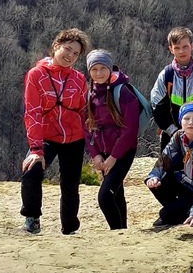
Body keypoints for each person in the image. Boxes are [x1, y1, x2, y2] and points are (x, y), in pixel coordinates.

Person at [19, 28, 90, 235]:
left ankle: (69, 228)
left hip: (74, 138)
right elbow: (32, 112)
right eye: (67, 49)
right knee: (31, 173)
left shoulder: (78, 79)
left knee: (70, 185)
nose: (70, 56)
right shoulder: (36, 75)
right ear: (56, 46)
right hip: (46, 137)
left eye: (76, 53)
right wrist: (35, 149)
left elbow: (84, 112)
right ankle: (32, 218)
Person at [84, 48, 143, 231]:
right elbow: (87, 127)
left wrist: (113, 157)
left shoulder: (123, 92)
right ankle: (122, 231)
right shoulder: (90, 93)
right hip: (103, 151)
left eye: (103, 68)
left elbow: (130, 129)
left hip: (123, 152)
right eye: (94, 69)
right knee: (116, 194)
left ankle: (116, 232)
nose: (99, 73)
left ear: (110, 69)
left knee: (105, 197)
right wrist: (95, 155)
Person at [149, 26, 193, 150]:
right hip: (170, 135)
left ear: (192, 46)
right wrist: (172, 130)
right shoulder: (166, 75)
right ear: (171, 49)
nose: (181, 51)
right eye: (177, 48)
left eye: (185, 46)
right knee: (169, 168)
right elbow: (156, 106)